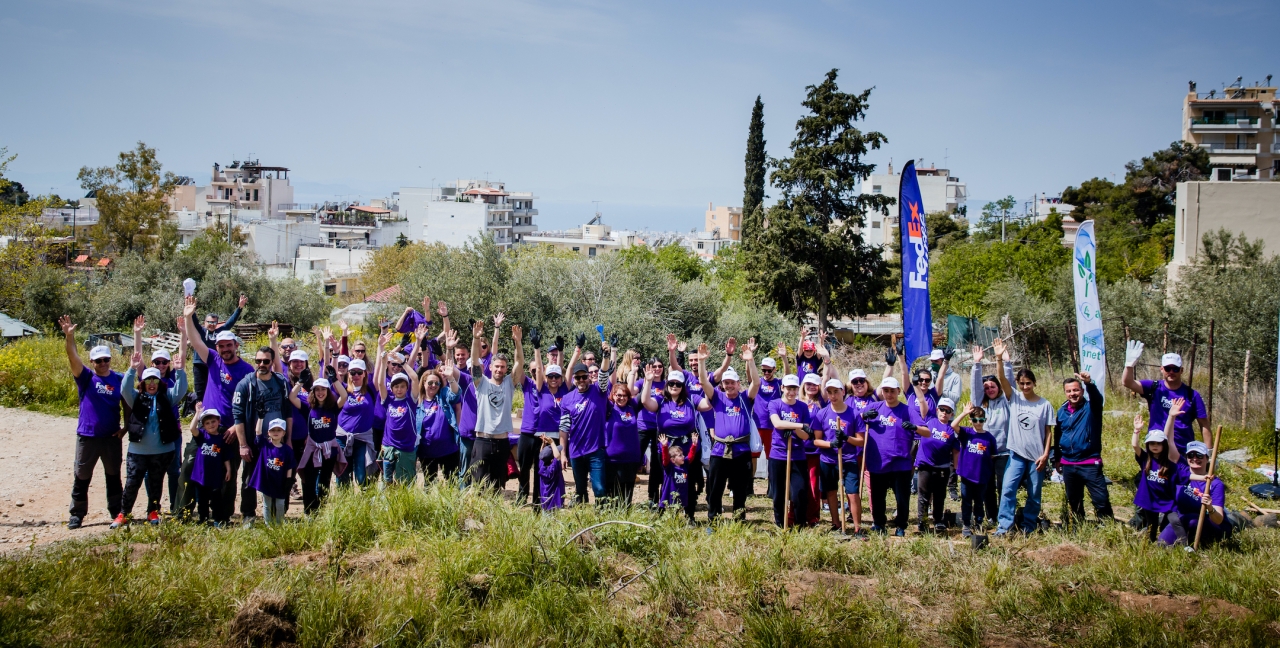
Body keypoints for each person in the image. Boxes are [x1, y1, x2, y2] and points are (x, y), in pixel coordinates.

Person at [182, 297, 255, 515]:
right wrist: (188, 318)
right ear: (217, 347)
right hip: (207, 427)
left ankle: (223, 515)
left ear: (236, 346)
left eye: (228, 345)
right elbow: (196, 342)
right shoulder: (213, 360)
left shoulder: (248, 370)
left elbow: (251, 404)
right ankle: (185, 513)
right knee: (192, 468)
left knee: (228, 474)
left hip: (231, 431)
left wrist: (235, 427)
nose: (225, 349)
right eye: (221, 346)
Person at [59, 315, 124, 531]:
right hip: (87, 436)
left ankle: (117, 512)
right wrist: (70, 337)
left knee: (113, 476)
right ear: (92, 362)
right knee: (82, 476)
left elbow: (133, 401)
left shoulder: (119, 379)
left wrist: (126, 428)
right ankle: (77, 514)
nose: (103, 364)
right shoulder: (86, 378)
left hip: (111, 437)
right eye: (99, 361)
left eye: (106, 360)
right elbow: (72, 357)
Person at [117, 347, 187, 527]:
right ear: (143, 382)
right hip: (138, 451)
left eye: (155, 379)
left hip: (162, 450)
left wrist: (179, 371)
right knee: (132, 482)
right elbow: (124, 388)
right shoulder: (136, 398)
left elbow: (181, 390)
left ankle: (152, 512)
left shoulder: (167, 397)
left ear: (160, 382)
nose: (152, 383)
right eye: (148, 380)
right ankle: (124, 513)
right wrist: (132, 369)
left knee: (156, 482)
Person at [994, 337, 1054, 537]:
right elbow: (1002, 380)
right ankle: (1004, 527)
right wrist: (999, 359)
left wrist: (1045, 455)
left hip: (1037, 458)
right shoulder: (1014, 398)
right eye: (1022, 383)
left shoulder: (1044, 405)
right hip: (1017, 455)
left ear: (1034, 383)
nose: (1025, 387)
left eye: (1028, 383)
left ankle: (1029, 526)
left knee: (1034, 494)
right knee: (1008, 491)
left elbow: (1048, 432)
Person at [699, 339, 761, 522]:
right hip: (719, 451)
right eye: (726, 383)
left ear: (738, 383)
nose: (729, 385)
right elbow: (703, 381)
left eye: (732, 382)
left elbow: (756, 383)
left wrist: (750, 360)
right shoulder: (717, 397)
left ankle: (739, 521)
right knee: (715, 488)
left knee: (740, 490)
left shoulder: (745, 398)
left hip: (741, 452)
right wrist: (702, 361)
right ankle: (714, 520)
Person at [641, 364, 713, 520]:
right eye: (671, 383)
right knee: (666, 481)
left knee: (690, 481)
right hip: (667, 449)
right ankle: (664, 514)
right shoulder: (661, 400)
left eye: (678, 384)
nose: (674, 386)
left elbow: (708, 405)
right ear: (667, 385)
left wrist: (707, 385)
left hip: (689, 449)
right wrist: (648, 382)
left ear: (683, 385)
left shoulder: (691, 399)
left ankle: (690, 516)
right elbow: (645, 402)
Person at [1122, 341, 1210, 454]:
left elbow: (1204, 425)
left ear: (1181, 370)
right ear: (1162, 369)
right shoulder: (1154, 387)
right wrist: (1129, 365)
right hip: (1156, 448)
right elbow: (1127, 382)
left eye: (1175, 369)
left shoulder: (1192, 395)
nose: (1171, 372)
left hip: (1182, 450)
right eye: (1168, 368)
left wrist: (1209, 453)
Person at [468, 316, 524, 489]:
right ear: (491, 367)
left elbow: (520, 362)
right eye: (497, 366)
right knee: (478, 486)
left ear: (506, 369)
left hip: (502, 442)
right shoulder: (481, 382)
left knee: (498, 485)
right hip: (483, 441)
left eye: (503, 367)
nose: (500, 369)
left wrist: (518, 342)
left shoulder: (509, 383)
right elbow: (475, 361)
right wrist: (476, 338)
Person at [860, 377, 920, 536]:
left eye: (892, 391)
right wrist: (863, 415)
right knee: (878, 497)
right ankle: (879, 524)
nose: (889, 394)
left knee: (902, 498)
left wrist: (915, 427)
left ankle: (901, 525)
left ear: (898, 391)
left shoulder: (907, 410)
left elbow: (926, 431)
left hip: (901, 463)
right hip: (878, 461)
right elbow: (855, 418)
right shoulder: (874, 407)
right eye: (886, 390)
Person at [1057, 372, 1113, 526]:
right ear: (1065, 392)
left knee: (1100, 499)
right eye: (1069, 391)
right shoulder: (1062, 411)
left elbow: (1097, 398)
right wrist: (1057, 458)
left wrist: (1089, 383)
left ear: (1081, 391)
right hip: (1068, 463)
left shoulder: (1091, 407)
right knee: (1074, 501)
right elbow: (1057, 435)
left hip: (1089, 462)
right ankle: (1078, 526)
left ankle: (1108, 527)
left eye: (1075, 390)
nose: (1072, 394)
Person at [970, 344, 1014, 529]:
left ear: (999, 387)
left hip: (1004, 452)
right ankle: (991, 516)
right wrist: (976, 364)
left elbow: (1009, 383)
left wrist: (1007, 363)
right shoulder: (981, 405)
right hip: (986, 453)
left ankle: (1006, 516)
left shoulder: (1008, 402)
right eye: (986, 387)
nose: (989, 389)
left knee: (1003, 486)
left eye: (993, 386)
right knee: (987, 487)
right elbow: (975, 388)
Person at [290, 377, 348, 514]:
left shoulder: (333, 408)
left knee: (324, 481)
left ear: (328, 391)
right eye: (317, 390)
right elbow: (292, 396)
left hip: (330, 451)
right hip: (312, 450)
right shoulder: (307, 408)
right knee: (309, 481)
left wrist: (334, 380)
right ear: (313, 392)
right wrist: (300, 381)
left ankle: (321, 510)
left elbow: (344, 395)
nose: (320, 392)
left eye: (323, 389)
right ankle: (310, 511)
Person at [560, 354, 613, 504]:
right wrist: (563, 453)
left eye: (584, 377)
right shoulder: (567, 399)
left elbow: (603, 374)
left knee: (600, 489)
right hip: (576, 450)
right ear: (574, 380)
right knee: (580, 489)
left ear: (589, 377)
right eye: (578, 378)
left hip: (596, 450)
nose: (581, 380)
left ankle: (601, 518)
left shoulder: (599, 392)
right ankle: (583, 519)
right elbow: (564, 427)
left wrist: (606, 356)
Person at [813, 379, 863, 533]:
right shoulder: (822, 413)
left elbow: (861, 441)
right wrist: (831, 444)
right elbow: (816, 440)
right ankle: (836, 523)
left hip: (848, 459)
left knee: (852, 493)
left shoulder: (853, 413)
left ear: (843, 392)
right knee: (831, 492)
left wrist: (846, 438)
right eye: (829, 392)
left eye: (836, 391)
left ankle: (857, 528)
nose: (833, 395)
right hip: (828, 460)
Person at [1160, 441, 1233, 547]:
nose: (1194, 458)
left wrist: (1209, 507)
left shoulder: (1214, 483)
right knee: (1162, 544)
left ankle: (1196, 544)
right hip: (1182, 519)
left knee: (1192, 520)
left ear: (1207, 458)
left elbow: (1218, 520)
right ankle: (1184, 542)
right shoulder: (1180, 473)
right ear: (1186, 458)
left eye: (1199, 455)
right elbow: (1168, 441)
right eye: (1191, 455)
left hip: (1212, 524)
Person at [1132, 399, 1183, 542]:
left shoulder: (1170, 463)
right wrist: (1136, 431)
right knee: (1152, 524)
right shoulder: (1145, 459)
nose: (1155, 446)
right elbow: (1135, 446)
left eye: (1158, 443)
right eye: (1151, 443)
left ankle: (1179, 542)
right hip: (1149, 499)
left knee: (1172, 521)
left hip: (1166, 499)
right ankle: (1151, 542)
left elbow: (1181, 480)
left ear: (1164, 445)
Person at [374, 331, 422, 485]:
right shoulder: (388, 400)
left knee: (405, 482)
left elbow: (414, 378)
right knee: (387, 481)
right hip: (388, 446)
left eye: (402, 386)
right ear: (392, 388)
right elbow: (381, 383)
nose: (399, 389)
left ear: (406, 387)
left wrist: (403, 364)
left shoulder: (411, 400)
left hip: (406, 447)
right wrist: (383, 363)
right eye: (396, 387)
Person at [416, 331, 462, 483]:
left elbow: (455, 394)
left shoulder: (443, 395)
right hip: (426, 451)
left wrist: (450, 378)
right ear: (423, 384)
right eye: (430, 383)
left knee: (452, 485)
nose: (433, 385)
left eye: (436, 383)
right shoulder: (418, 402)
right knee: (429, 485)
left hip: (448, 450)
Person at [768, 374, 811, 528]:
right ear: (782, 388)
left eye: (794, 388)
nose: (791, 392)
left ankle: (800, 524)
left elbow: (805, 436)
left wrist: (793, 428)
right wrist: (796, 425)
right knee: (778, 494)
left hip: (797, 455)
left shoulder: (802, 407)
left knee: (799, 493)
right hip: (778, 454)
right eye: (788, 388)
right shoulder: (774, 404)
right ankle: (781, 524)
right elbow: (777, 424)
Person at [911, 397, 958, 534]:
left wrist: (956, 469)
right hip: (925, 465)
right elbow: (922, 403)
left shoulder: (951, 429)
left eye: (948, 411)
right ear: (937, 410)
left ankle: (938, 520)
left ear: (951, 414)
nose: (944, 413)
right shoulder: (929, 421)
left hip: (942, 467)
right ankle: (922, 522)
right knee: (923, 495)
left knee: (939, 495)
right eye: (942, 409)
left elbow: (955, 451)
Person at [950, 403, 997, 538]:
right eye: (975, 420)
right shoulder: (966, 433)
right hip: (967, 475)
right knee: (966, 500)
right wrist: (964, 413)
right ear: (971, 420)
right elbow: (953, 425)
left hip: (982, 476)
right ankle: (966, 524)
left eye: (981, 420)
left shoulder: (989, 438)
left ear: (985, 421)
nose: (978, 423)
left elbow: (992, 456)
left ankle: (979, 522)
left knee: (979, 501)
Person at [190, 293, 246, 401]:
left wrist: (240, 308)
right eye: (209, 322)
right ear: (205, 322)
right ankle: (200, 410)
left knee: (214, 387)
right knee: (200, 390)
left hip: (214, 364)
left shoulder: (220, 332)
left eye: (214, 322)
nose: (212, 324)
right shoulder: (201, 330)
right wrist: (191, 311)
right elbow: (194, 321)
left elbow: (230, 322)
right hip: (200, 364)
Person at [843, 368, 879, 531]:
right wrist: (862, 417)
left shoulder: (874, 398)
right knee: (852, 484)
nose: (858, 384)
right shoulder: (848, 401)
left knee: (870, 483)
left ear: (866, 382)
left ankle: (874, 514)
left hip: (870, 447)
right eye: (855, 382)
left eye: (861, 381)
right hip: (853, 447)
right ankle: (853, 511)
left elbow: (887, 382)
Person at [603, 360, 644, 506]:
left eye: (624, 395)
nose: (621, 398)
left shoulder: (632, 407)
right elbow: (606, 387)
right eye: (618, 395)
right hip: (612, 458)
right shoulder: (609, 408)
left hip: (631, 458)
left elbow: (636, 393)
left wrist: (633, 372)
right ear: (613, 396)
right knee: (612, 492)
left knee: (627, 492)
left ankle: (625, 518)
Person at [336, 355, 379, 488]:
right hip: (343, 437)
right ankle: (344, 504)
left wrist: (380, 347)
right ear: (348, 374)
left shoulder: (371, 389)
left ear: (365, 374)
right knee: (342, 475)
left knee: (362, 476)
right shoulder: (343, 389)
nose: (356, 375)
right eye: (352, 372)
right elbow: (331, 375)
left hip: (362, 439)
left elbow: (378, 372)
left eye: (359, 372)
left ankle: (365, 505)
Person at [634, 355, 668, 505]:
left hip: (659, 429)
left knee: (656, 463)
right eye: (654, 366)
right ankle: (624, 492)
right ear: (648, 368)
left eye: (660, 366)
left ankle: (653, 497)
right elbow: (630, 391)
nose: (657, 369)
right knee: (635, 459)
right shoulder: (642, 382)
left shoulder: (667, 385)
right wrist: (632, 372)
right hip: (642, 426)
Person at [248, 419, 295, 525]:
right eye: (273, 430)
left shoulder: (287, 450)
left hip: (280, 481)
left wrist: (289, 480)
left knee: (279, 504)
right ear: (268, 432)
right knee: (267, 503)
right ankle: (268, 524)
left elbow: (289, 466)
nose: (276, 432)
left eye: (279, 430)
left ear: (284, 433)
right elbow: (258, 433)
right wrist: (260, 418)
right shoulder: (265, 445)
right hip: (267, 481)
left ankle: (279, 524)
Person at [190, 409, 232, 525]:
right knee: (202, 500)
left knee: (216, 499)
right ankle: (203, 519)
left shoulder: (222, 439)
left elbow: (225, 456)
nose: (211, 425)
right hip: (200, 475)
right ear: (203, 425)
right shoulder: (202, 435)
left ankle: (217, 520)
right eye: (207, 423)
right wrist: (197, 414)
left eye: (213, 421)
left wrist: (228, 469)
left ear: (219, 421)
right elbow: (192, 429)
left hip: (215, 475)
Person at [751, 345, 786, 476]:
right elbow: (750, 374)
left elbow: (787, 376)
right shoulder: (758, 382)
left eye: (769, 371)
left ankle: (772, 486)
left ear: (774, 370)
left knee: (771, 457)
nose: (766, 373)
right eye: (763, 370)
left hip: (773, 426)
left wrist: (784, 358)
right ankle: (749, 484)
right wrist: (750, 357)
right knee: (753, 455)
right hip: (758, 424)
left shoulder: (778, 383)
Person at [658, 434, 698, 521]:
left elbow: (690, 456)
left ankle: (680, 521)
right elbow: (665, 459)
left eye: (682, 454)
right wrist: (664, 446)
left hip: (681, 494)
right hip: (670, 495)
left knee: (678, 509)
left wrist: (694, 445)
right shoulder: (669, 467)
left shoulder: (684, 465)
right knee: (671, 512)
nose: (683, 456)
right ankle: (665, 521)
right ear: (672, 459)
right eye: (680, 455)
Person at [538, 435, 566, 511]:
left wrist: (543, 444)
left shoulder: (542, 466)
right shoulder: (554, 470)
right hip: (555, 504)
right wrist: (552, 443)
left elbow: (541, 456)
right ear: (551, 461)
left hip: (545, 503)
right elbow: (557, 457)